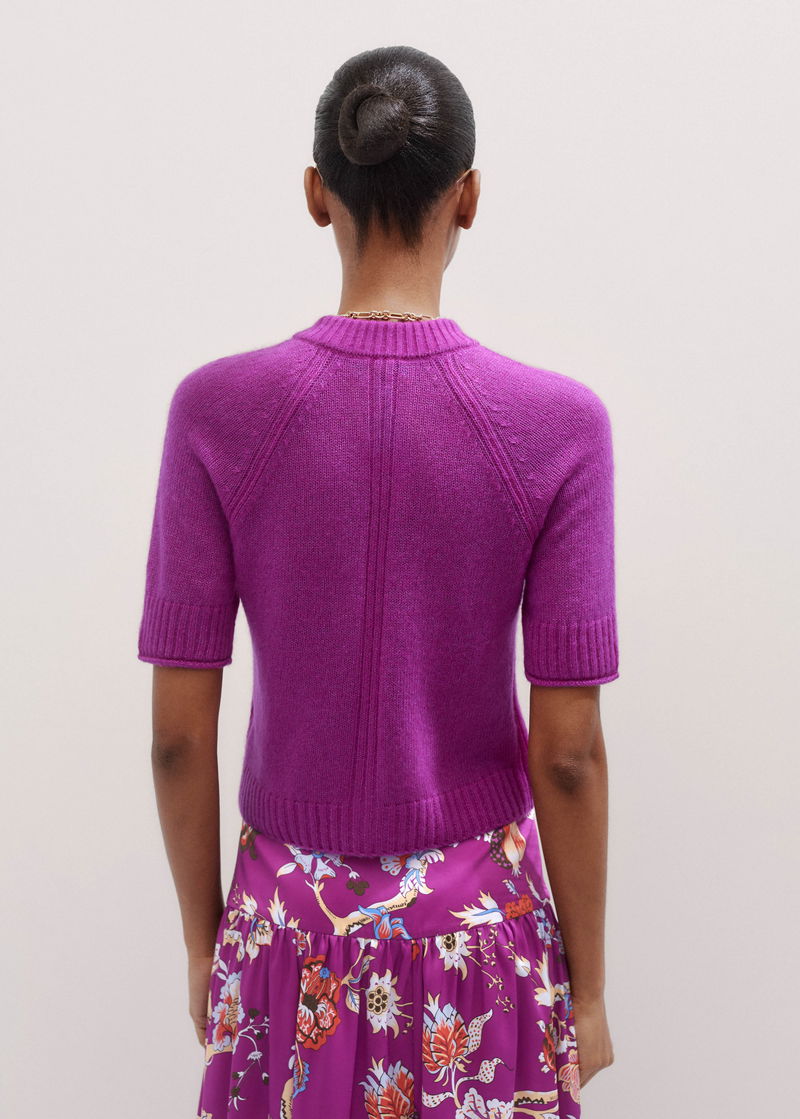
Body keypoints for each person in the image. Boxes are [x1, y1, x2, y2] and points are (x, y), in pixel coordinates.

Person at [138, 44, 618, 1119]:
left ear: (318, 193)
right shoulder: (559, 429)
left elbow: (176, 735)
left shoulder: (215, 414)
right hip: (478, 942)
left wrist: (209, 946)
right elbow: (569, 751)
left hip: (283, 932)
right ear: (469, 197)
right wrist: (587, 994)